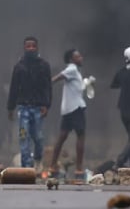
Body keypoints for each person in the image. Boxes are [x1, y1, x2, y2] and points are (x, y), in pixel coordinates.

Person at [6, 36, 52, 172]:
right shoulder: (19, 66)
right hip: (22, 107)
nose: (31, 48)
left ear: (37, 47)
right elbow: (14, 87)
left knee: (38, 137)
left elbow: (47, 87)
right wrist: (10, 107)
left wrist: (46, 104)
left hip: (38, 107)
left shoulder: (44, 65)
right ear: (24, 48)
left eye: (33, 46)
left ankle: (37, 159)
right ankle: (27, 167)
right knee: (23, 136)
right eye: (28, 46)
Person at [48, 49, 90, 181]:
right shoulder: (71, 69)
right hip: (76, 108)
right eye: (78, 56)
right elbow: (56, 78)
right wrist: (46, 84)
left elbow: (76, 88)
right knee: (81, 136)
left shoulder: (75, 71)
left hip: (68, 109)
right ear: (71, 60)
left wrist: (87, 83)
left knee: (62, 137)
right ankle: (78, 169)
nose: (81, 58)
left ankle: (52, 167)